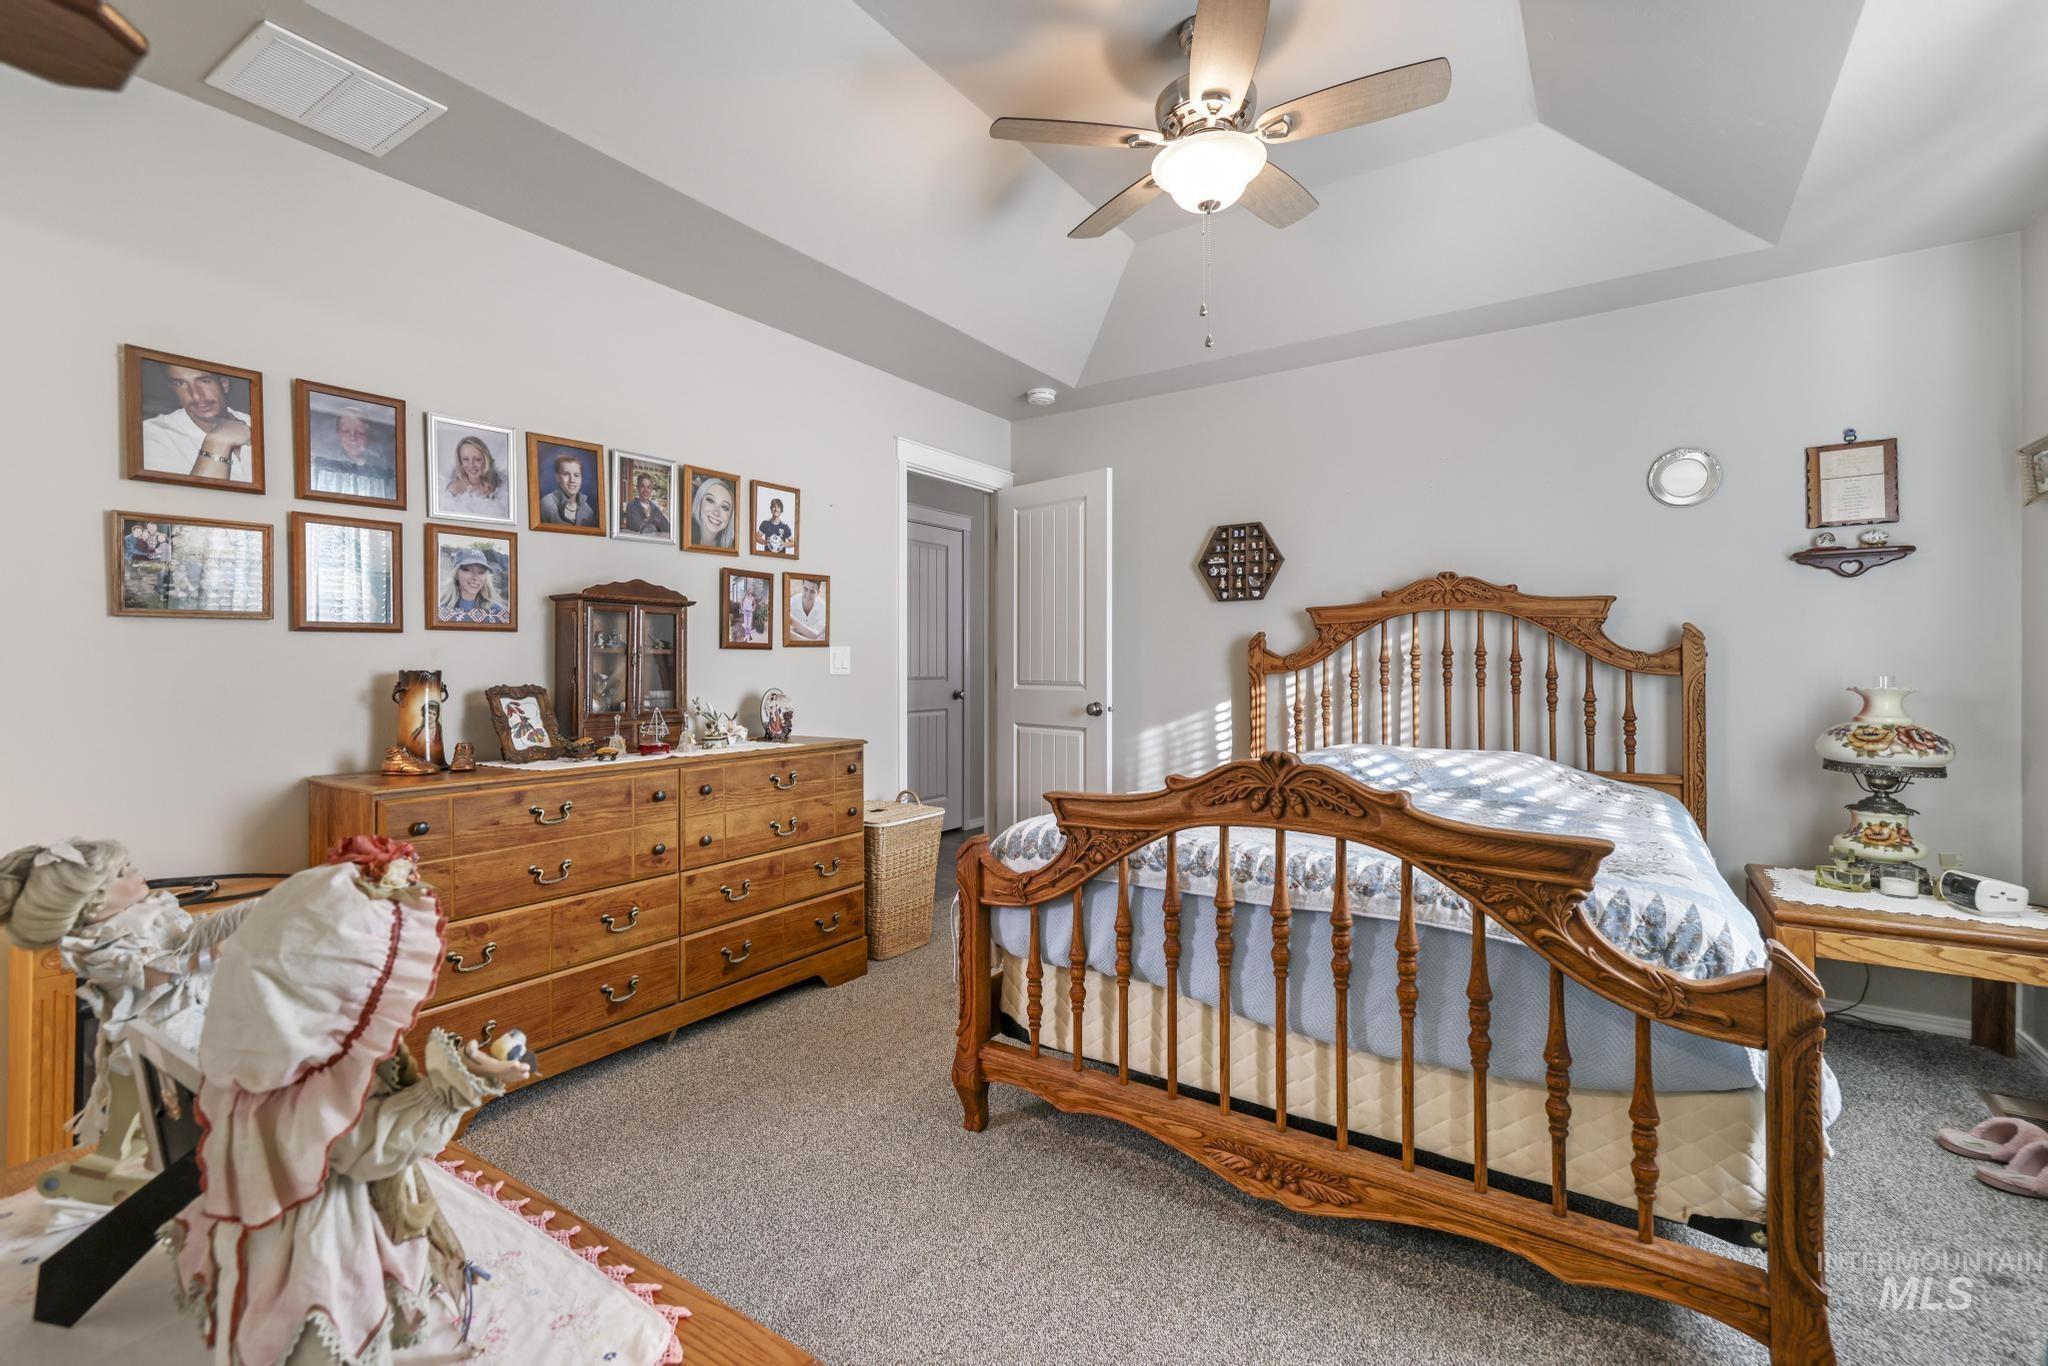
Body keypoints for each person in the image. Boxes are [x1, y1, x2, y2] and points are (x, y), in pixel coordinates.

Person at [164, 838, 531, 1366]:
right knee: (333, 1329)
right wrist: (459, 1087)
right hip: (321, 1246)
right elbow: (379, 1147)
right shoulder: (320, 1090)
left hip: (259, 1211)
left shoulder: (261, 1054)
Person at [0, 838, 255, 1148]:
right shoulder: (99, 948)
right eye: (122, 873)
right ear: (93, 901)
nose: (135, 871)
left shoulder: (149, 912)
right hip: (156, 1031)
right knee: (144, 1108)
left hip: (192, 1013)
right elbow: (161, 970)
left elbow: (188, 937)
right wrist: (218, 952)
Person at [139, 364, 255, 481]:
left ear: (224, 384)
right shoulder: (152, 434)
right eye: (180, 383)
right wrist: (217, 442)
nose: (196, 395)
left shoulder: (261, 425)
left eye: (204, 381)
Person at [309, 402, 397, 502]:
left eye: (360, 432)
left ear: (368, 434)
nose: (353, 438)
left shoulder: (385, 471)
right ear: (338, 433)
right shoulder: (323, 466)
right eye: (346, 431)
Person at [439, 433, 508, 519]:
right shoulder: (455, 489)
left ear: (486, 460)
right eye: (465, 459)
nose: (471, 465)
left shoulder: (498, 484)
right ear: (460, 462)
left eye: (477, 459)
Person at [438, 545, 510, 624]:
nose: (475, 577)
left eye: (481, 572)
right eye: (467, 570)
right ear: (456, 574)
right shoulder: (440, 611)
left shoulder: (498, 612)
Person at [538, 451, 598, 526]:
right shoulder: (546, 505)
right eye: (566, 474)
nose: (572, 480)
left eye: (576, 475)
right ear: (557, 477)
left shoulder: (588, 511)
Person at [691, 474, 735, 549]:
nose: (716, 512)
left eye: (724, 507)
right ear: (699, 502)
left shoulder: (731, 547)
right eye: (710, 500)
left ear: (730, 516)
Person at [621, 470, 670, 536]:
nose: (646, 490)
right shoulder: (631, 506)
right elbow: (640, 529)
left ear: (651, 490)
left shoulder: (655, 508)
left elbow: (667, 528)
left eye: (649, 487)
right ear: (638, 488)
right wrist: (657, 523)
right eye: (642, 486)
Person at [788, 577, 828, 642]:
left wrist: (792, 620)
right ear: (802, 587)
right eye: (805, 589)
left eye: (812, 591)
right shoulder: (792, 602)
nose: (807, 595)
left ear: (818, 592)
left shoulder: (823, 607)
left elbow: (817, 635)